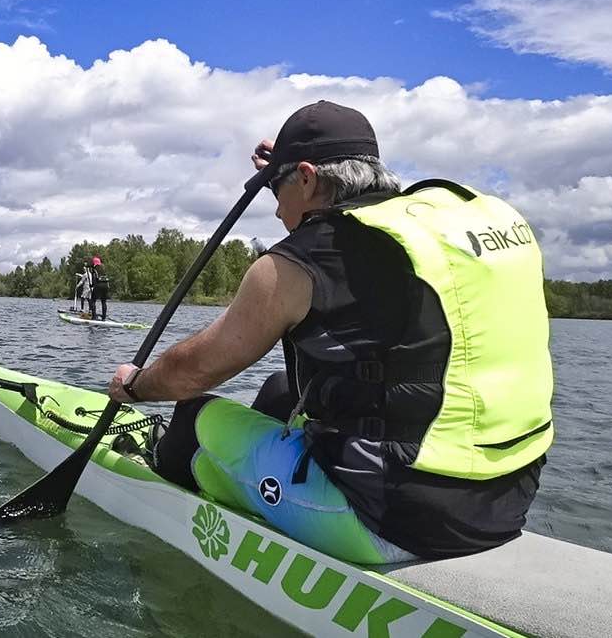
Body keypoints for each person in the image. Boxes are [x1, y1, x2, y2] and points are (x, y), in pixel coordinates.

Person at [105, 100, 552, 565]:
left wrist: (135, 385)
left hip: (396, 519)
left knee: (192, 417)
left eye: (279, 192)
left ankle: (176, 505)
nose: (278, 212)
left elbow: (191, 372)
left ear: (306, 178)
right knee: (283, 391)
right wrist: (286, 167)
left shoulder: (297, 263)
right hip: (509, 497)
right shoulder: (427, 234)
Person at [87, 256, 110, 320]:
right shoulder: (103, 268)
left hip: (99, 285)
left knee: (93, 301)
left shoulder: (94, 269)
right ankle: (104, 317)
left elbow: (94, 278)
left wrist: (92, 285)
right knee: (104, 302)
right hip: (106, 285)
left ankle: (94, 317)